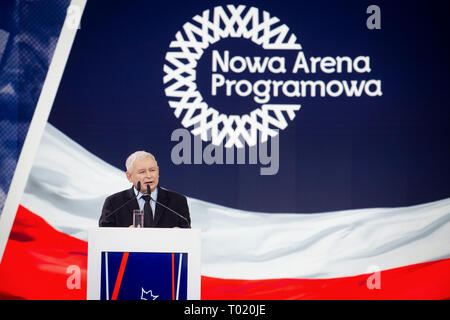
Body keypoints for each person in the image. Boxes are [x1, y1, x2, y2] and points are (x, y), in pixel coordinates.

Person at [99, 151, 191, 228]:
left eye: (152, 170)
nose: (149, 176)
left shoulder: (178, 201)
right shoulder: (114, 203)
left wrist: (180, 235)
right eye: (142, 172)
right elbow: (104, 237)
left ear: (158, 172)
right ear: (129, 176)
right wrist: (124, 235)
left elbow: (187, 236)